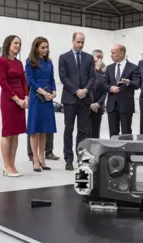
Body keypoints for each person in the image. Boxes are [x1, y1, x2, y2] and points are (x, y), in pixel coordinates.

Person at [58, 32, 95, 171]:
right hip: (70, 98)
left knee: (83, 130)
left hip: (85, 99)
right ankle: (68, 159)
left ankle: (81, 158)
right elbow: (63, 77)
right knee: (68, 130)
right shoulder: (63, 58)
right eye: (78, 42)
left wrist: (85, 90)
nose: (80, 44)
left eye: (82, 42)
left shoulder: (89, 58)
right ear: (73, 41)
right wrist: (76, 90)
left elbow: (92, 77)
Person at [0, 35, 28, 177]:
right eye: (15, 43)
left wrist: (26, 97)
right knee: (7, 133)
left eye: (19, 44)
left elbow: (24, 81)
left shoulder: (19, 63)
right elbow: (3, 83)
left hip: (21, 100)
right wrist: (17, 99)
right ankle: (6, 165)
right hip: (9, 100)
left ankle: (13, 165)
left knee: (15, 134)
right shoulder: (1, 61)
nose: (17, 46)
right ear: (8, 43)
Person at [25, 36, 57, 172]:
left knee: (44, 130)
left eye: (46, 47)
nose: (45, 50)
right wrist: (43, 92)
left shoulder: (49, 62)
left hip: (48, 98)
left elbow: (52, 79)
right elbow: (30, 81)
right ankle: (35, 160)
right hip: (36, 98)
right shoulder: (30, 62)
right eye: (42, 47)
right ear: (36, 48)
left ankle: (42, 157)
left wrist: (54, 91)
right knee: (35, 130)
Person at [102, 44, 141, 137]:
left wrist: (128, 82)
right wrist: (110, 88)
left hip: (126, 105)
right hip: (112, 105)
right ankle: (113, 150)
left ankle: (127, 152)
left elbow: (137, 84)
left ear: (121, 53)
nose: (111, 55)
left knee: (126, 132)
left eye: (113, 53)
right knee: (113, 132)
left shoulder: (134, 68)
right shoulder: (109, 67)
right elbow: (104, 83)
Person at [87, 49, 108, 139]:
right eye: (98, 57)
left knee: (96, 133)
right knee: (86, 132)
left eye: (101, 57)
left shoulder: (104, 73)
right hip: (87, 105)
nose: (100, 60)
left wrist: (98, 103)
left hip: (98, 107)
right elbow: (86, 88)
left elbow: (105, 91)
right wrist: (91, 103)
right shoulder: (87, 70)